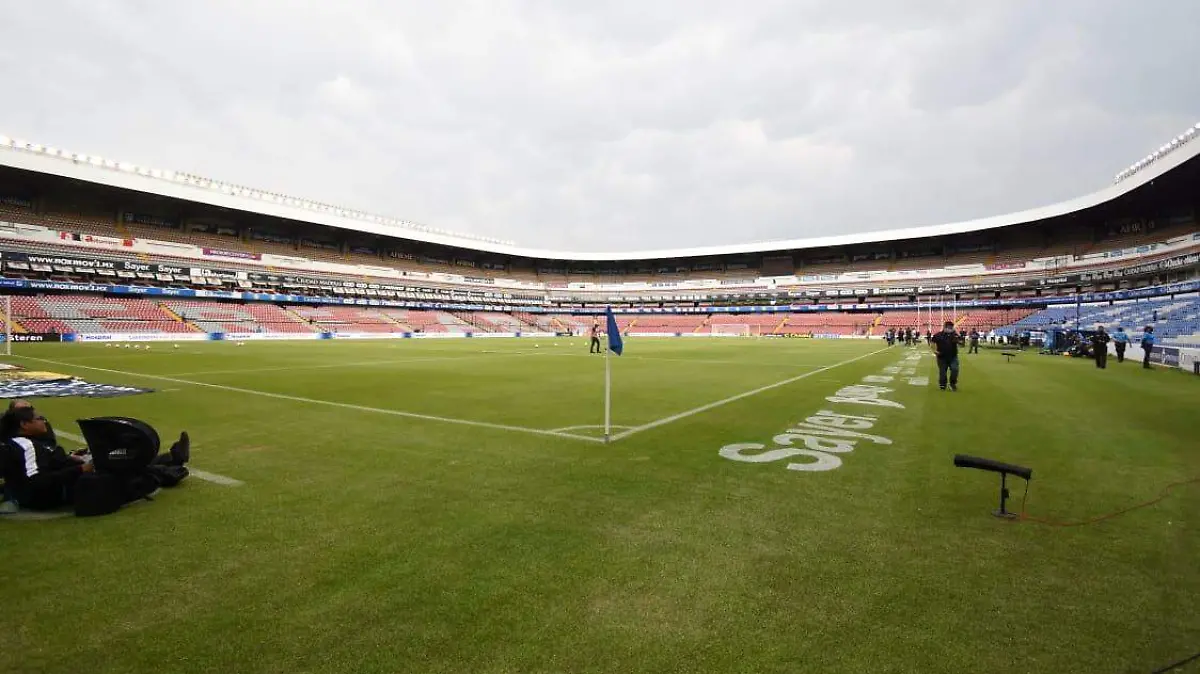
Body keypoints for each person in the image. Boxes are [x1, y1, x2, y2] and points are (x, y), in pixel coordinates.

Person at [1, 406, 93, 511]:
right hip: (39, 499)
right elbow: (36, 480)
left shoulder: (15, 442)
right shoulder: (27, 445)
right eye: (39, 418)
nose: (44, 422)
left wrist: (68, 458)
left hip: (25, 494)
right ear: (24, 424)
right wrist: (81, 469)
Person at [930, 321, 961, 391]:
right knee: (943, 372)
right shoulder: (938, 335)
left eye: (951, 327)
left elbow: (961, 342)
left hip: (953, 356)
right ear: (944, 327)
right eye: (949, 327)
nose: (950, 329)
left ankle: (952, 383)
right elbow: (932, 342)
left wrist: (958, 339)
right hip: (941, 357)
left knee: (955, 369)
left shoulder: (955, 335)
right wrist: (934, 350)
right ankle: (942, 384)